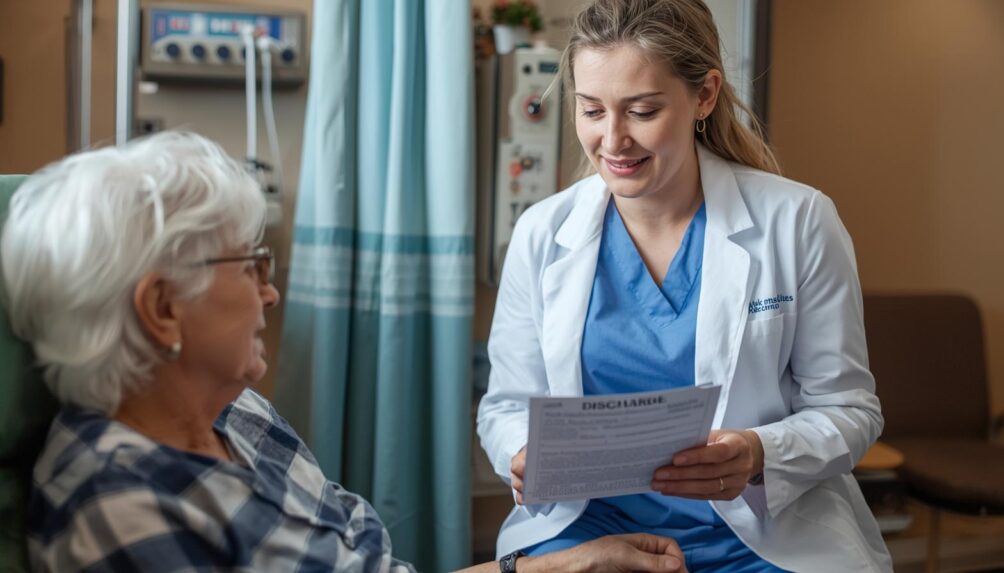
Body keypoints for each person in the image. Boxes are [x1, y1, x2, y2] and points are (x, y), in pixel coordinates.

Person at [1, 132, 689, 572]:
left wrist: (557, 567)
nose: (271, 295)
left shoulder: (239, 417)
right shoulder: (121, 504)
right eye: (252, 268)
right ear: (161, 308)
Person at [476, 0, 892, 571]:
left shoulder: (798, 221)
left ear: (705, 94)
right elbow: (504, 405)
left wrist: (758, 451)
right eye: (591, 110)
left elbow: (848, 409)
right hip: (587, 527)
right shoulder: (542, 233)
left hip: (759, 529)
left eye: (642, 111)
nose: (613, 140)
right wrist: (520, 454)